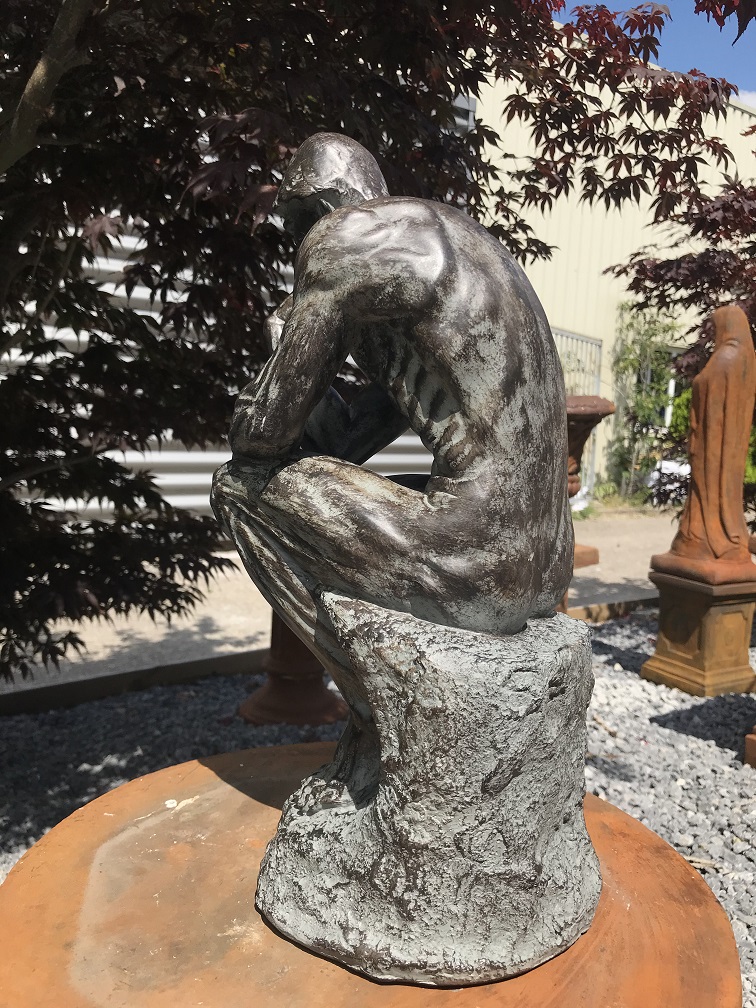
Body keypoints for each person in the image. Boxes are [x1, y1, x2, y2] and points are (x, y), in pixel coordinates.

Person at [212, 132, 572, 669]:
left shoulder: (342, 238)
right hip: (549, 562)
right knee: (372, 487)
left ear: (318, 205)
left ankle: (370, 687)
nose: (294, 245)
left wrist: (280, 346)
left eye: (292, 225)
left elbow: (264, 437)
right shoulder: (457, 243)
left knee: (236, 487)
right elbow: (345, 446)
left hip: (480, 564)